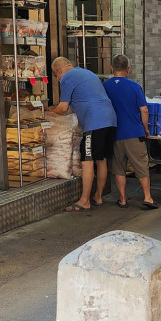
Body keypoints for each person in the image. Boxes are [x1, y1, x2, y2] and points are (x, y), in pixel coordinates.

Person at [51, 56, 116, 212]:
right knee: (101, 160)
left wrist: (46, 112)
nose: (58, 79)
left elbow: (62, 108)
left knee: (87, 161)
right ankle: (98, 196)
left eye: (56, 76)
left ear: (59, 71)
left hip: (95, 121)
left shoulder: (67, 77)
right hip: (110, 119)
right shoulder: (86, 73)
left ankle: (84, 200)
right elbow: (78, 104)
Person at [103, 54, 158, 210]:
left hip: (114, 133)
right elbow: (144, 110)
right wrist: (145, 128)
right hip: (134, 132)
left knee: (119, 167)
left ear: (111, 68)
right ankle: (148, 197)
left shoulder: (105, 86)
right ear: (128, 69)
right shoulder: (134, 86)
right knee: (141, 166)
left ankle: (122, 199)